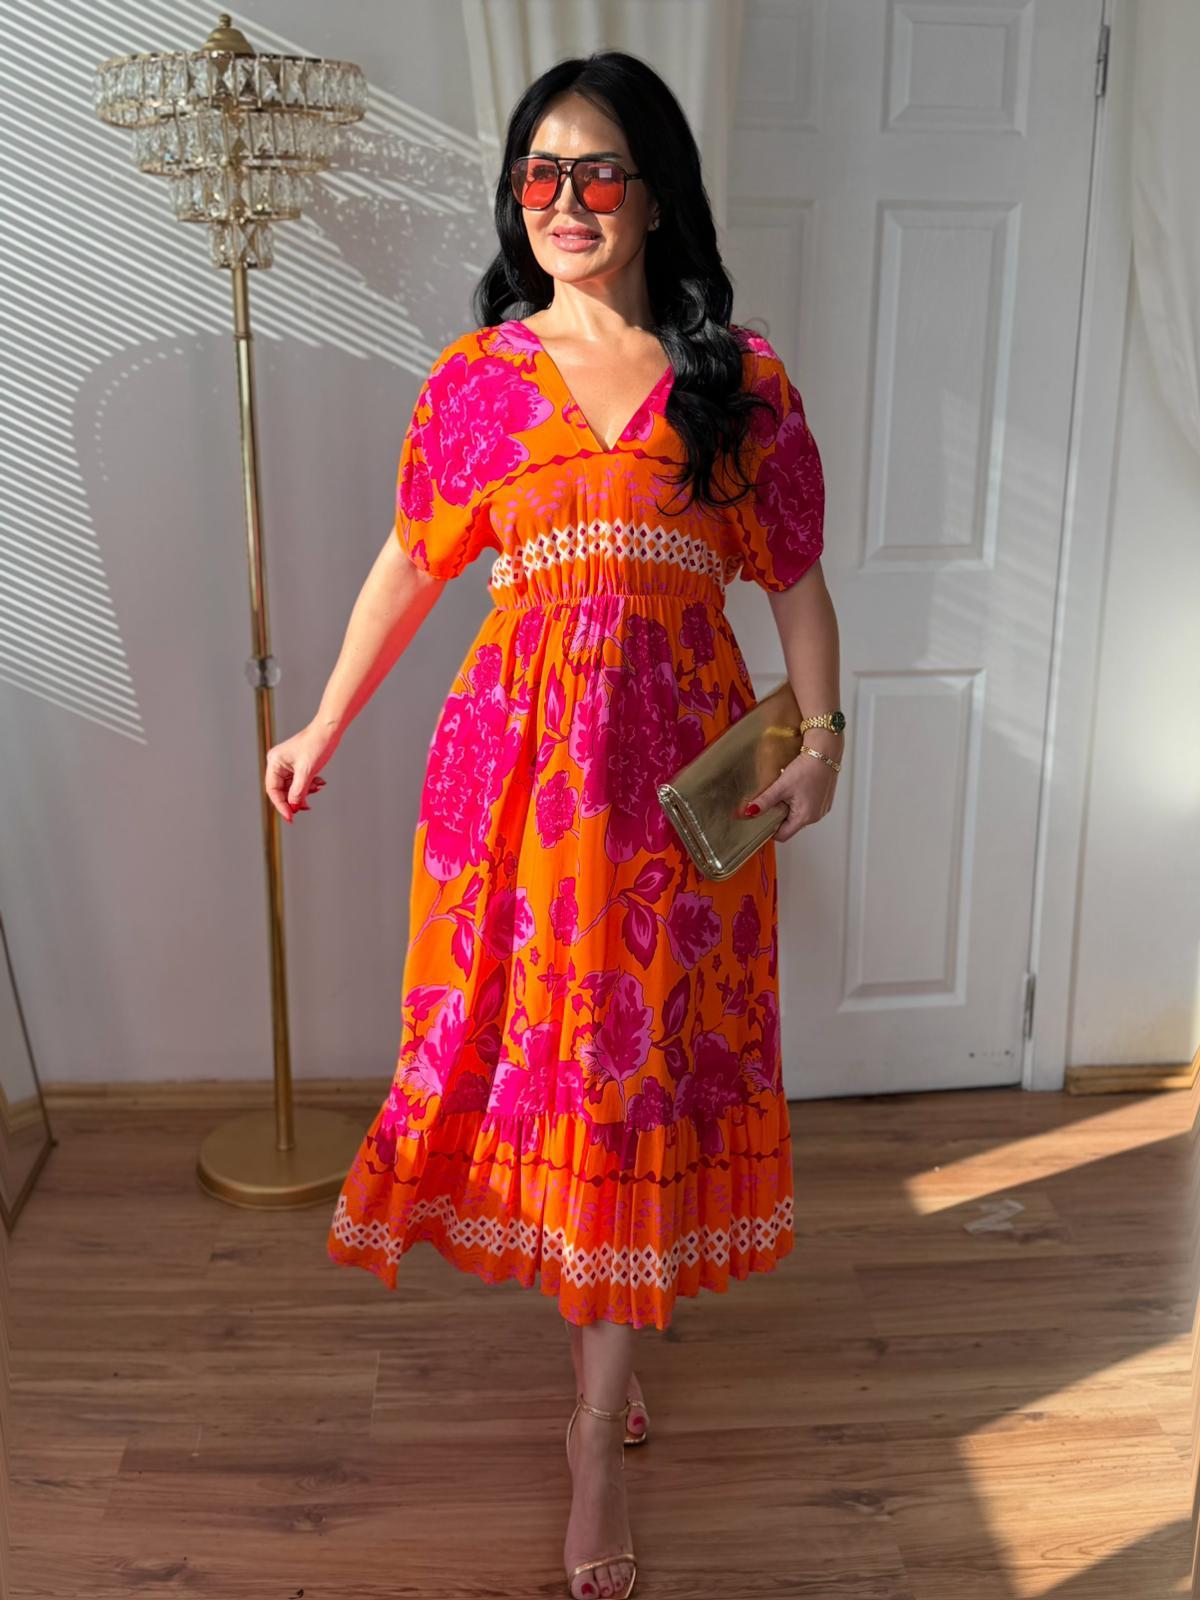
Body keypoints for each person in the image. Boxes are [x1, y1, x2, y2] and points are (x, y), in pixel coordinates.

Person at [264, 48, 842, 1600]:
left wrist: (825, 741)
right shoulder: (476, 379)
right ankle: (602, 1394)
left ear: (653, 195)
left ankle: (595, 1429)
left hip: (675, 796)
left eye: (596, 171)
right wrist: (323, 721)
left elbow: (796, 580)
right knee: (555, 1075)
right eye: (539, 173)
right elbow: (410, 564)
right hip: (515, 797)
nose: (565, 200)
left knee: (634, 1083)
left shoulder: (738, 381)